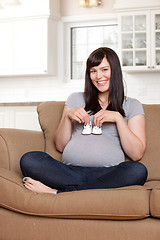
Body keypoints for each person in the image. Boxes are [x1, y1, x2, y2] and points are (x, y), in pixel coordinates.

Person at [20, 47, 148, 194]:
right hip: (68, 172)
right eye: (93, 71)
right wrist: (68, 116)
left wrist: (118, 119)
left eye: (104, 69)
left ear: (115, 71)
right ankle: (86, 189)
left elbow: (136, 154)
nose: (99, 76)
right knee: (30, 159)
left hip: (107, 174)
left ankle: (58, 192)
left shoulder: (132, 105)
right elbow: (60, 146)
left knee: (137, 171)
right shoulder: (75, 99)